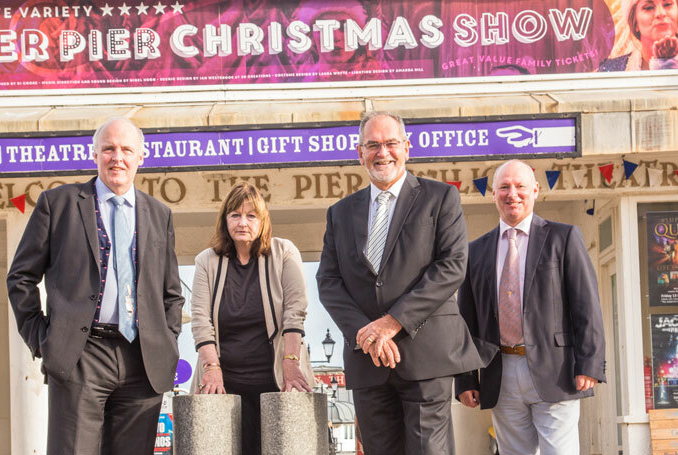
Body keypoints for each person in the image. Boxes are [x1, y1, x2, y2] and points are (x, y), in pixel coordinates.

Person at [316, 111, 495, 455]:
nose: (382, 153)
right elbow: (328, 281)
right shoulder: (340, 213)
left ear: (407, 148)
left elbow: (452, 266)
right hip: (368, 360)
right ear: (360, 153)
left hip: (427, 355)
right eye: (373, 145)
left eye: (390, 143)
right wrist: (367, 334)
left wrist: (393, 322)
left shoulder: (440, 198)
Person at [6, 117, 185, 455]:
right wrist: (41, 339)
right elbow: (20, 277)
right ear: (95, 154)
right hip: (80, 355)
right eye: (109, 149)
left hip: (142, 360)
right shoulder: (57, 204)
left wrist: (168, 338)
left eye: (126, 150)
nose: (117, 157)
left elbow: (171, 292)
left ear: (141, 157)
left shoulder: (159, 214)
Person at [455, 160, 606, 455]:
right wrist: (465, 378)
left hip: (557, 370)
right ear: (493, 193)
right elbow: (466, 321)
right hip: (500, 373)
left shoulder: (564, 238)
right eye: (504, 187)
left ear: (535, 190)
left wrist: (589, 363)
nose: (513, 194)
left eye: (520, 186)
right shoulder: (475, 251)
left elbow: (586, 305)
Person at [190, 181, 314, 455]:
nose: (242, 222)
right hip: (224, 383)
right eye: (235, 215)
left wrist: (292, 362)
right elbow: (200, 320)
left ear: (263, 220)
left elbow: (296, 310)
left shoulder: (285, 252)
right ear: (225, 222)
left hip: (278, 379)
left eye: (251, 215)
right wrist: (211, 367)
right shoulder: (205, 261)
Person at [599, 0, 678, 71]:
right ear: (635, 22)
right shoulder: (611, 70)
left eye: (667, 4)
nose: (661, 13)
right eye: (648, 8)